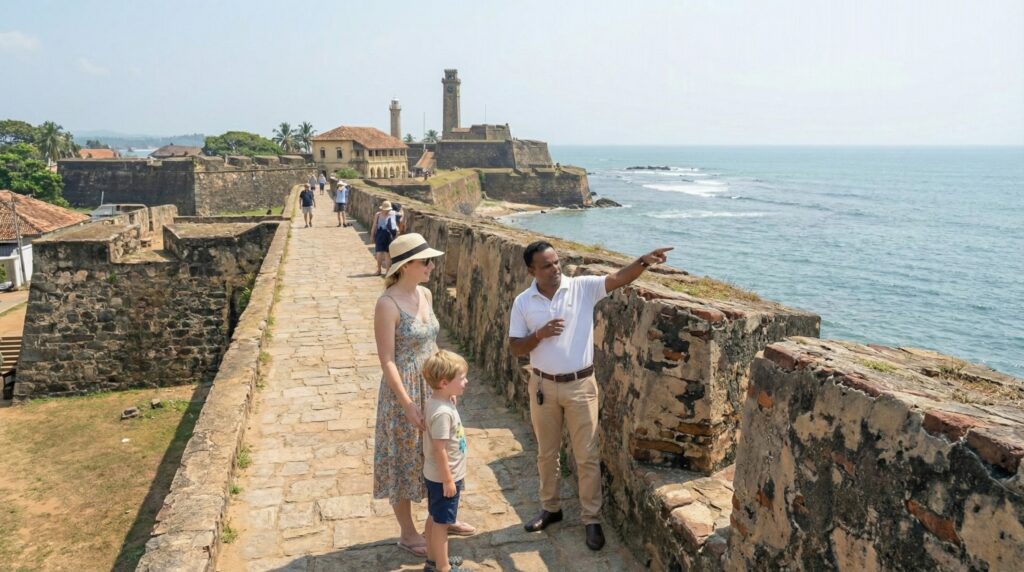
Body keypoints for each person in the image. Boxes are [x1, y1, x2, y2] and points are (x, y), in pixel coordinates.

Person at [508, 240, 672, 551]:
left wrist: (643, 261)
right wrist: (539, 335)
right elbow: (516, 347)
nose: (555, 269)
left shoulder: (581, 288)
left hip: (581, 386)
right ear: (531, 270)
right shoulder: (523, 302)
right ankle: (551, 508)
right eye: (546, 265)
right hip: (543, 386)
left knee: (586, 456)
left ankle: (591, 519)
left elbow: (618, 278)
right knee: (547, 453)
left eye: (557, 262)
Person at [373, 234, 475, 560]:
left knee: (436, 453)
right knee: (403, 460)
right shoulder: (387, 304)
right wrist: (406, 404)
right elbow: (387, 359)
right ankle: (407, 532)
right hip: (402, 393)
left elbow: (433, 343)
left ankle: (442, 519)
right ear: (407, 266)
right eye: (426, 261)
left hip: (432, 389)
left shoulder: (426, 294)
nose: (432, 266)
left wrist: (443, 389)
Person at [422, 350, 470, 572]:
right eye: (461, 378)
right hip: (444, 478)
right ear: (444, 382)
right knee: (442, 524)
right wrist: (448, 480)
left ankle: (432, 561)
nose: (466, 381)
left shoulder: (437, 401)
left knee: (434, 516)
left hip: (435, 477)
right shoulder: (442, 413)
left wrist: (451, 398)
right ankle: (443, 568)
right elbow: (439, 449)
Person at [371, 200, 398, 276]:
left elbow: (374, 226)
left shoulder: (379, 214)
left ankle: (383, 271)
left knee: (383, 253)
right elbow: (394, 225)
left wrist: (372, 236)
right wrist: (372, 236)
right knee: (383, 254)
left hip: (383, 234)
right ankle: (384, 271)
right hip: (385, 235)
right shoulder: (391, 214)